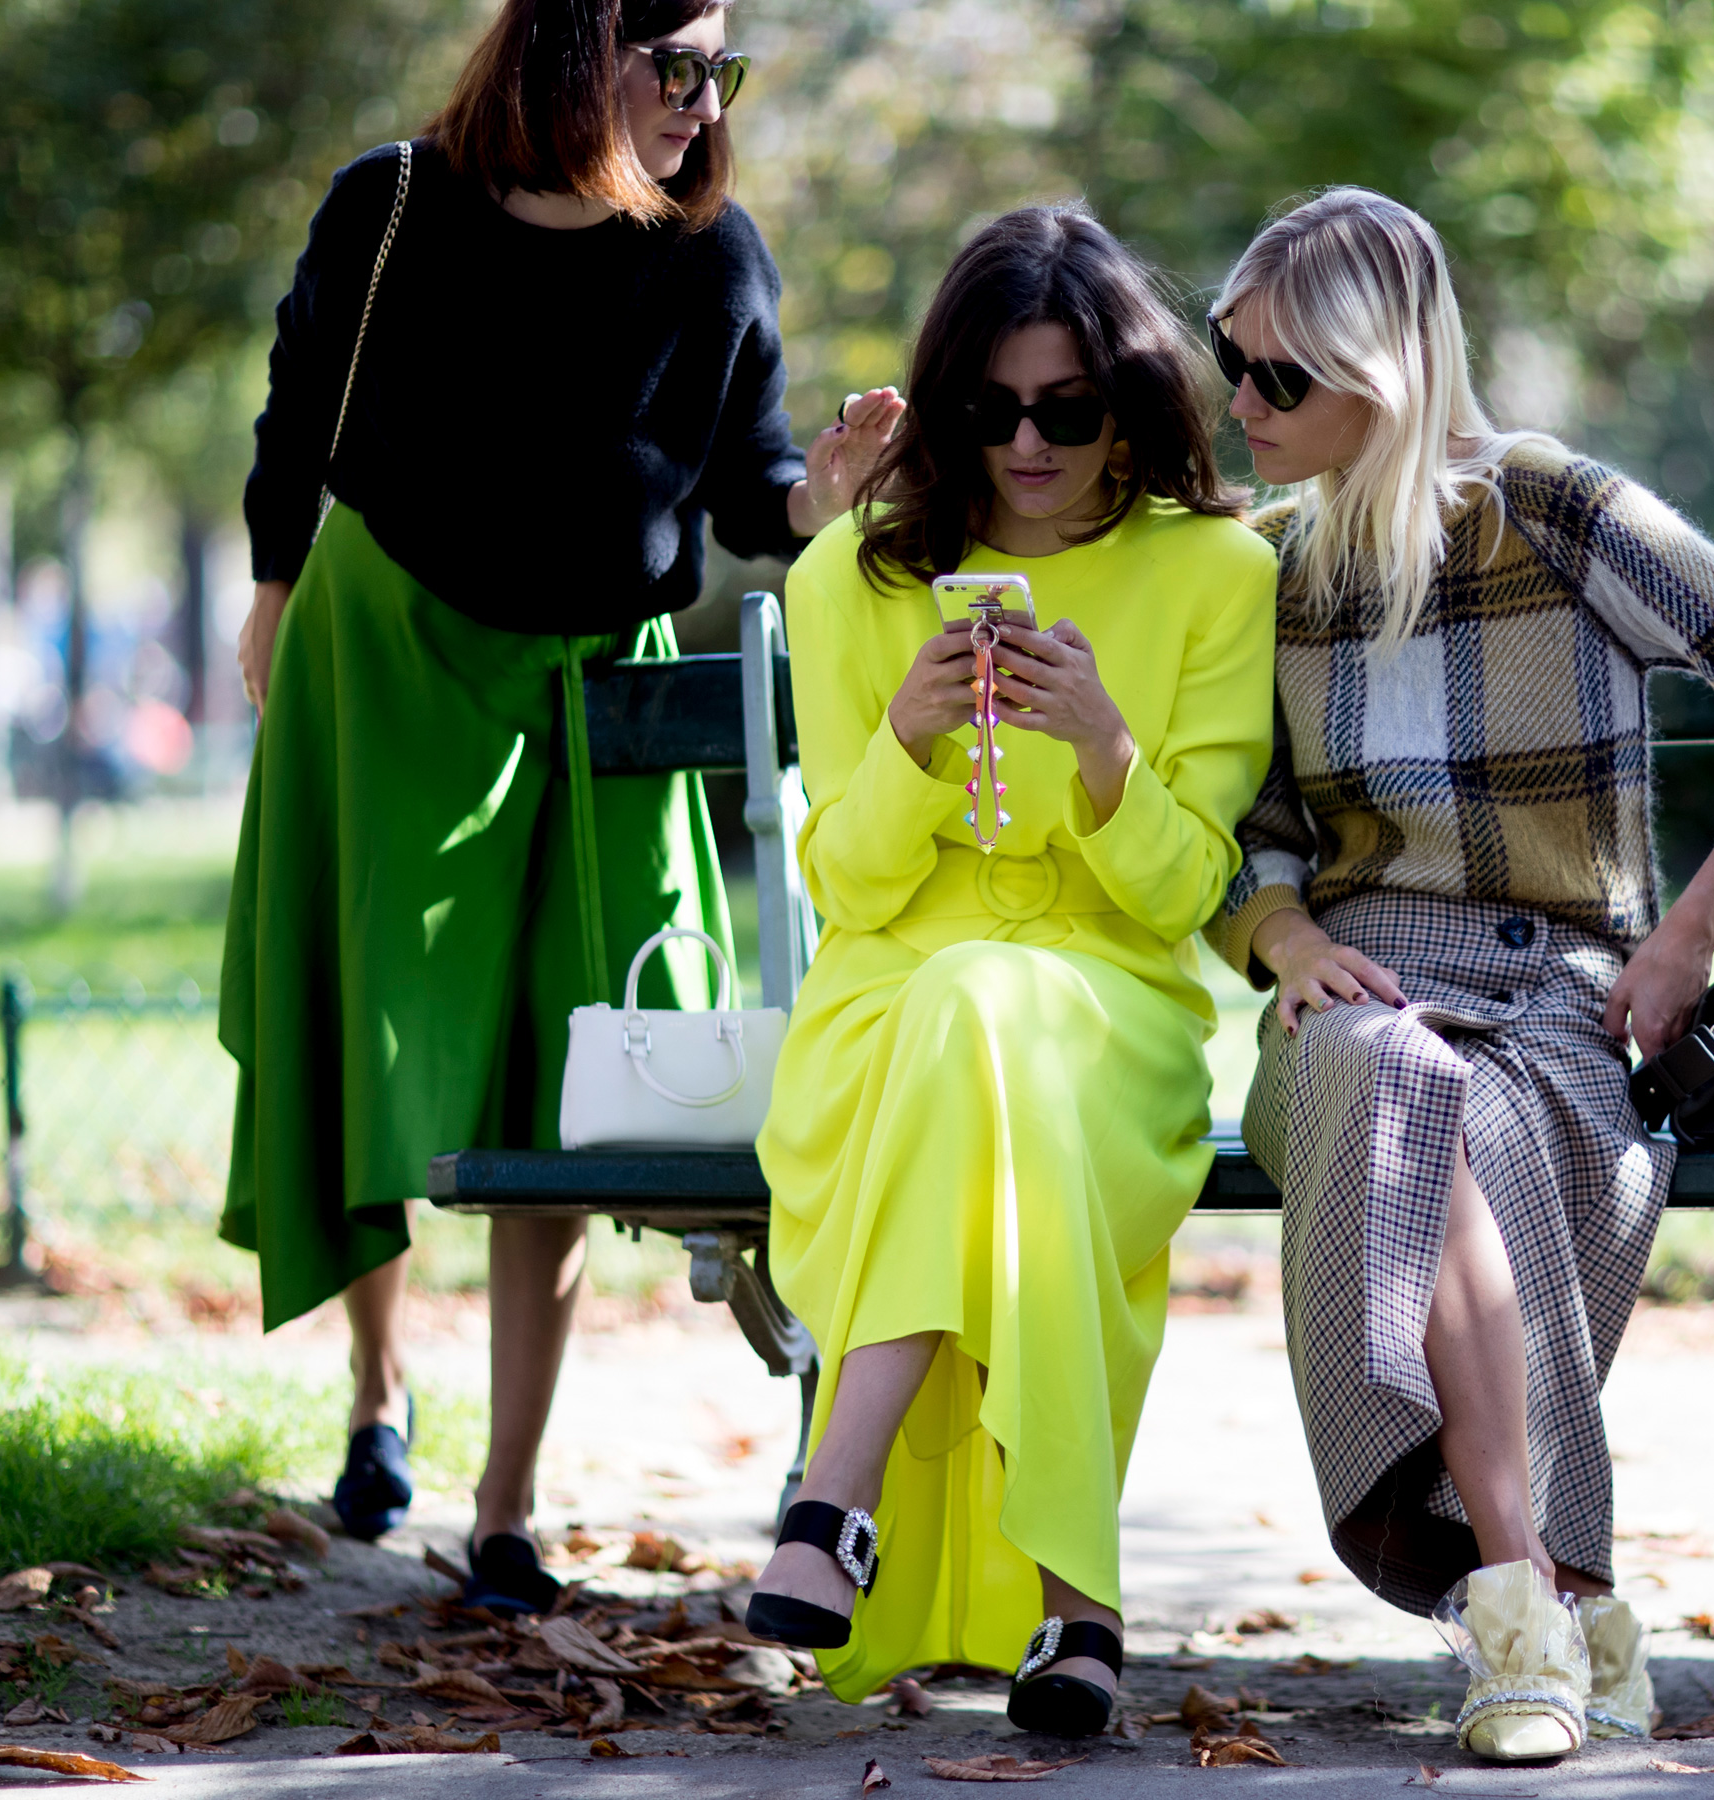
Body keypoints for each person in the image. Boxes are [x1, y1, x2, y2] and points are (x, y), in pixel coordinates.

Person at [221, 0, 901, 1612]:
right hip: (391, 656)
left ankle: (506, 1507)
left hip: (602, 701)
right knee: (381, 1035)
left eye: (722, 70)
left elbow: (751, 489)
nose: (703, 100)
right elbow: (301, 406)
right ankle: (377, 1395)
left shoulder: (713, 260)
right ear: (570, 50)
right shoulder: (390, 205)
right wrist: (271, 584)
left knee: (568, 1076)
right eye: (675, 63)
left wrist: (824, 496)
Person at [1202, 188, 1714, 1763]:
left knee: (1475, 1130)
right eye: (1231, 363)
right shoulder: (1259, 565)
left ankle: (1556, 1615)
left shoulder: (1553, 510)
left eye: (1279, 375)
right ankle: (1532, 1605)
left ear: (1382, 369)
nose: (1242, 403)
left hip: (1559, 1001)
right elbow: (1237, 824)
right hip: (1348, 1003)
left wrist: (1690, 933)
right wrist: (1286, 941)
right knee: (1393, 1072)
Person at [741, 204, 1276, 1736]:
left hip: (1111, 1002)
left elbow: (1186, 892)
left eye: (1068, 410)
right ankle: (1076, 1614)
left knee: (995, 1020)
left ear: (1131, 409)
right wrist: (909, 746)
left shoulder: (1218, 576)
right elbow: (849, 885)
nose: (1028, 445)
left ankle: (833, 1500)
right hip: (885, 1001)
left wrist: (1104, 748)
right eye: (989, 412)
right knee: (966, 1013)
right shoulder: (849, 579)